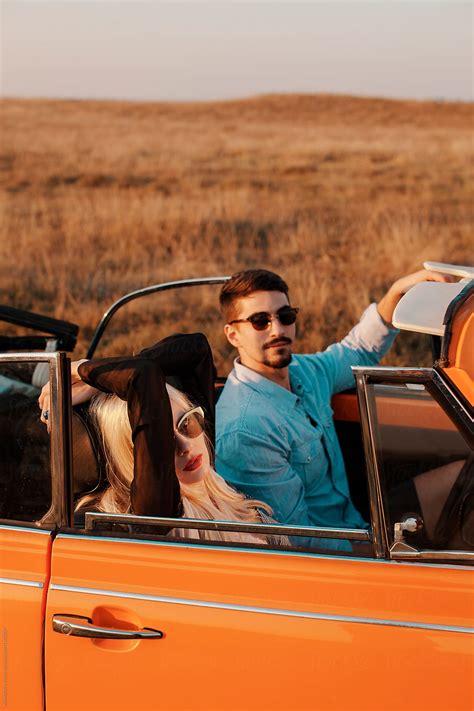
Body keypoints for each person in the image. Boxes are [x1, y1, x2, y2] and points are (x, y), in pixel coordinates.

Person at [215, 267, 460, 550]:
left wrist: (395, 294)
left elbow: (357, 351)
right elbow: (300, 541)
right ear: (233, 335)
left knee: (465, 478)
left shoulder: (303, 371)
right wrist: (380, 554)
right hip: (342, 556)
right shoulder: (246, 430)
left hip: (362, 522)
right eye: (260, 321)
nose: (278, 330)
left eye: (285, 316)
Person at [39, 333, 281, 545]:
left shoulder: (207, 480)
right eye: (162, 441)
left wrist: (95, 382)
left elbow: (195, 348)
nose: (185, 445)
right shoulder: (158, 514)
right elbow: (141, 376)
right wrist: (81, 369)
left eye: (187, 423)